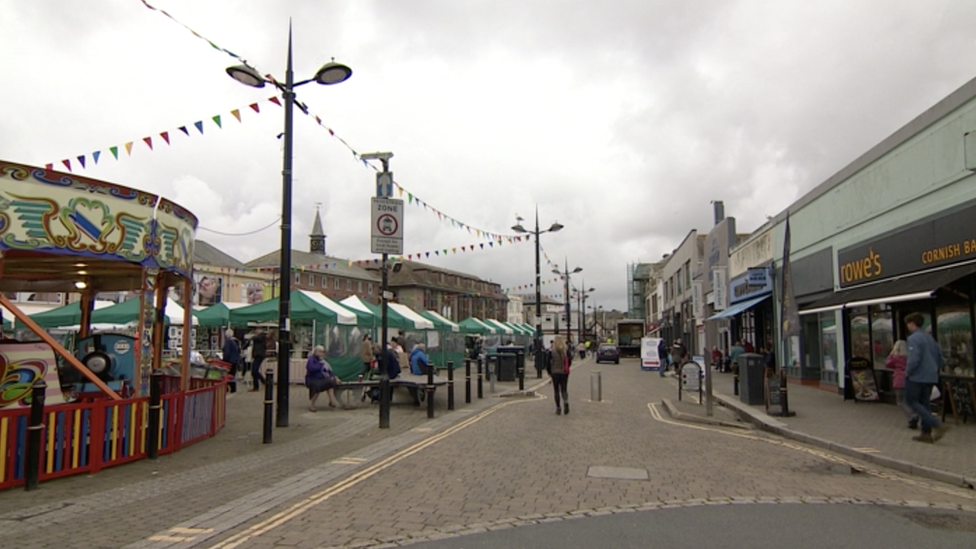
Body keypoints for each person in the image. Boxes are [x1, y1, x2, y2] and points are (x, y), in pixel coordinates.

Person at [904, 313, 948, 443]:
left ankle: (936, 424)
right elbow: (941, 358)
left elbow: (914, 359)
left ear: (912, 323)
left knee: (912, 401)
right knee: (925, 403)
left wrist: (908, 372)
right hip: (931, 376)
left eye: (908, 323)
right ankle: (926, 433)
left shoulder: (913, 339)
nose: (907, 326)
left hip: (917, 376)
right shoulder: (930, 338)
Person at [886, 339, 917, 429]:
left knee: (900, 401)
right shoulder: (910, 357)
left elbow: (887, 363)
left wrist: (892, 354)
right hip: (910, 380)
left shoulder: (895, 358)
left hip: (899, 381)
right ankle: (912, 419)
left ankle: (912, 416)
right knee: (909, 400)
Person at [305, 345, 339, 411]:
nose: (322, 353)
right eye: (321, 352)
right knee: (316, 386)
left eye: (323, 352)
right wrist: (319, 365)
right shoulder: (311, 359)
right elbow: (311, 368)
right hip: (312, 379)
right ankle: (312, 405)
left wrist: (334, 377)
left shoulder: (322, 360)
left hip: (321, 378)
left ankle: (331, 401)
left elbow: (328, 371)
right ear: (316, 351)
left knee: (330, 382)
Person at [549, 335, 572, 415]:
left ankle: (558, 408)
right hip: (564, 373)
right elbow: (569, 361)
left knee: (556, 390)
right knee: (564, 389)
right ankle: (565, 402)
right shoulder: (566, 351)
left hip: (555, 373)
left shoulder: (552, 351)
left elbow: (548, 363)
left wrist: (550, 372)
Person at [246, 327, 269, 392]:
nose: (256, 331)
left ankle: (263, 381)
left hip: (259, 355)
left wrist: (252, 337)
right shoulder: (259, 337)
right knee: (254, 371)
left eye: (257, 330)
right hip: (257, 355)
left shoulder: (262, 336)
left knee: (254, 370)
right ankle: (257, 385)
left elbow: (257, 338)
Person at [222, 329, 241, 393]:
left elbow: (227, 351)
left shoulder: (228, 341)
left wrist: (224, 359)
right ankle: (233, 388)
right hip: (235, 360)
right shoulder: (235, 341)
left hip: (230, 361)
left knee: (227, 374)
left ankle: (228, 388)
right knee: (232, 374)